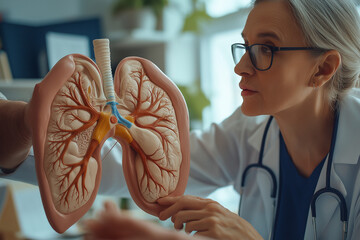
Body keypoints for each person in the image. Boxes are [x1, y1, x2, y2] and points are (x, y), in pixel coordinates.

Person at [1, 0, 360, 239]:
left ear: (323, 69)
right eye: (245, 45)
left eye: (264, 48)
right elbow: (142, 171)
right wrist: (25, 124)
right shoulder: (249, 133)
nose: (240, 67)